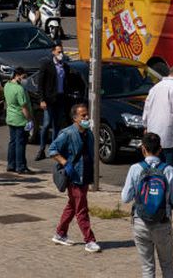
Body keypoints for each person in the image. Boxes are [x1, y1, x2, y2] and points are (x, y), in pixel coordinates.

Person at [120, 132, 173, 278]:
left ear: (143, 149)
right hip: (162, 222)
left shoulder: (135, 169)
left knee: (147, 268)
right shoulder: (168, 170)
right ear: (160, 149)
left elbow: (125, 198)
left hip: (140, 222)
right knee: (167, 265)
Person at [49, 103, 100, 252]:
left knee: (72, 206)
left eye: (87, 115)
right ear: (75, 118)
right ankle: (89, 240)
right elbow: (52, 150)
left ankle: (60, 233)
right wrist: (65, 163)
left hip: (85, 175)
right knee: (81, 209)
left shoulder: (89, 133)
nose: (86, 117)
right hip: (74, 177)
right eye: (83, 115)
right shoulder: (67, 133)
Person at [35, 44, 79, 160]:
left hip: (60, 99)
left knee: (57, 125)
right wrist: (42, 99)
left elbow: (68, 81)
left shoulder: (64, 66)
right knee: (46, 124)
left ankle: (53, 149)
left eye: (62, 52)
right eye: (59, 52)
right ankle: (41, 148)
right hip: (49, 100)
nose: (61, 54)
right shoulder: (47, 65)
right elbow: (41, 84)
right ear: (53, 52)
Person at [4, 65, 34, 174]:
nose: (25, 79)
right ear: (17, 76)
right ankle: (21, 166)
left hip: (11, 117)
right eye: (24, 77)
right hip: (20, 119)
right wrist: (29, 120)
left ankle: (11, 164)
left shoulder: (7, 85)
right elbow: (24, 107)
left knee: (12, 142)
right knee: (20, 143)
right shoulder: (19, 89)